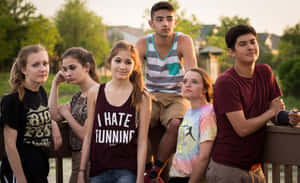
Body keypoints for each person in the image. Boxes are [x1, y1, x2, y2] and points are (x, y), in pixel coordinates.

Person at [206, 24, 300, 183]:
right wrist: (271, 112)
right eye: (242, 44)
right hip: (228, 170)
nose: (250, 47)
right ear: (231, 52)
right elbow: (242, 128)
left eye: (253, 42)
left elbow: (276, 112)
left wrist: (289, 117)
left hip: (255, 169)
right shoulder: (226, 82)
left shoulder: (265, 72)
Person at [135, 1, 197, 179]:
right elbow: (136, 76)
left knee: (176, 124)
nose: (165, 24)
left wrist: (200, 102)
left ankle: (157, 168)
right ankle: (147, 168)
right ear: (151, 24)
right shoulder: (142, 43)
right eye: (160, 19)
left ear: (175, 22)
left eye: (169, 19)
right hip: (151, 95)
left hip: (177, 96)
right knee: (139, 124)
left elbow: (193, 72)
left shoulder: (183, 41)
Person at [77, 40, 151, 183]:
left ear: (135, 66)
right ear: (109, 62)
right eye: (118, 61)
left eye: (128, 62)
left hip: (127, 171)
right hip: (98, 170)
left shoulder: (142, 96)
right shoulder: (95, 92)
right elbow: (88, 135)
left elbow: (142, 142)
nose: (122, 66)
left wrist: (140, 177)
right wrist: (81, 171)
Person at [0, 45, 61, 183]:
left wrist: (54, 124)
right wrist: (21, 179)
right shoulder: (12, 100)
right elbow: (9, 145)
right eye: (35, 65)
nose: (42, 68)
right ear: (23, 70)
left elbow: (41, 115)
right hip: (18, 176)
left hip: (40, 173)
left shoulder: (41, 92)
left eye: (45, 63)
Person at [48, 47, 100, 183]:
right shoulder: (77, 97)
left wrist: (68, 115)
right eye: (65, 69)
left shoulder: (99, 93)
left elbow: (85, 135)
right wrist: (55, 84)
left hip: (93, 160)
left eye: (72, 68)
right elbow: (54, 115)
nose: (67, 73)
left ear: (86, 67)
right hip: (77, 159)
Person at [168, 68, 217, 183]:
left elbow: (204, 155)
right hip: (176, 176)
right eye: (184, 81)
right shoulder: (189, 112)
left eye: (194, 82)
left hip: (192, 177)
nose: (187, 85)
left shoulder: (208, 114)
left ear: (205, 89)